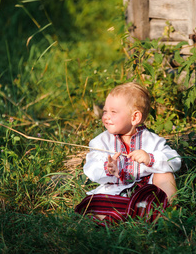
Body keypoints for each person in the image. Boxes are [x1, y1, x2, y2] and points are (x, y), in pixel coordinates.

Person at [75, 82, 181, 225]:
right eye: (105, 111)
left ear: (135, 118)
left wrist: (150, 158)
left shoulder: (151, 140)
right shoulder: (101, 142)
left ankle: (170, 211)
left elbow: (175, 161)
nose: (106, 116)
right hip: (115, 192)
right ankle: (129, 216)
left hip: (145, 191)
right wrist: (107, 168)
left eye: (113, 112)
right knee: (93, 204)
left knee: (165, 175)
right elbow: (91, 167)